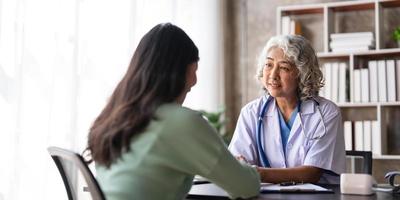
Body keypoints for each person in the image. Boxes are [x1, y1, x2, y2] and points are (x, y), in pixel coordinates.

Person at [85, 23, 260, 200]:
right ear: (181, 70)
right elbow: (246, 187)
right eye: (195, 70)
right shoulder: (182, 122)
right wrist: (243, 168)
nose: (195, 82)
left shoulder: (114, 117)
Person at [228, 35, 345, 184]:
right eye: (268, 65)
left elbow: (312, 173)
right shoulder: (251, 112)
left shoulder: (326, 113)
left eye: (284, 67)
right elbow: (238, 163)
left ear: (302, 73)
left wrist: (258, 173)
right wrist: (240, 165)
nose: (273, 75)